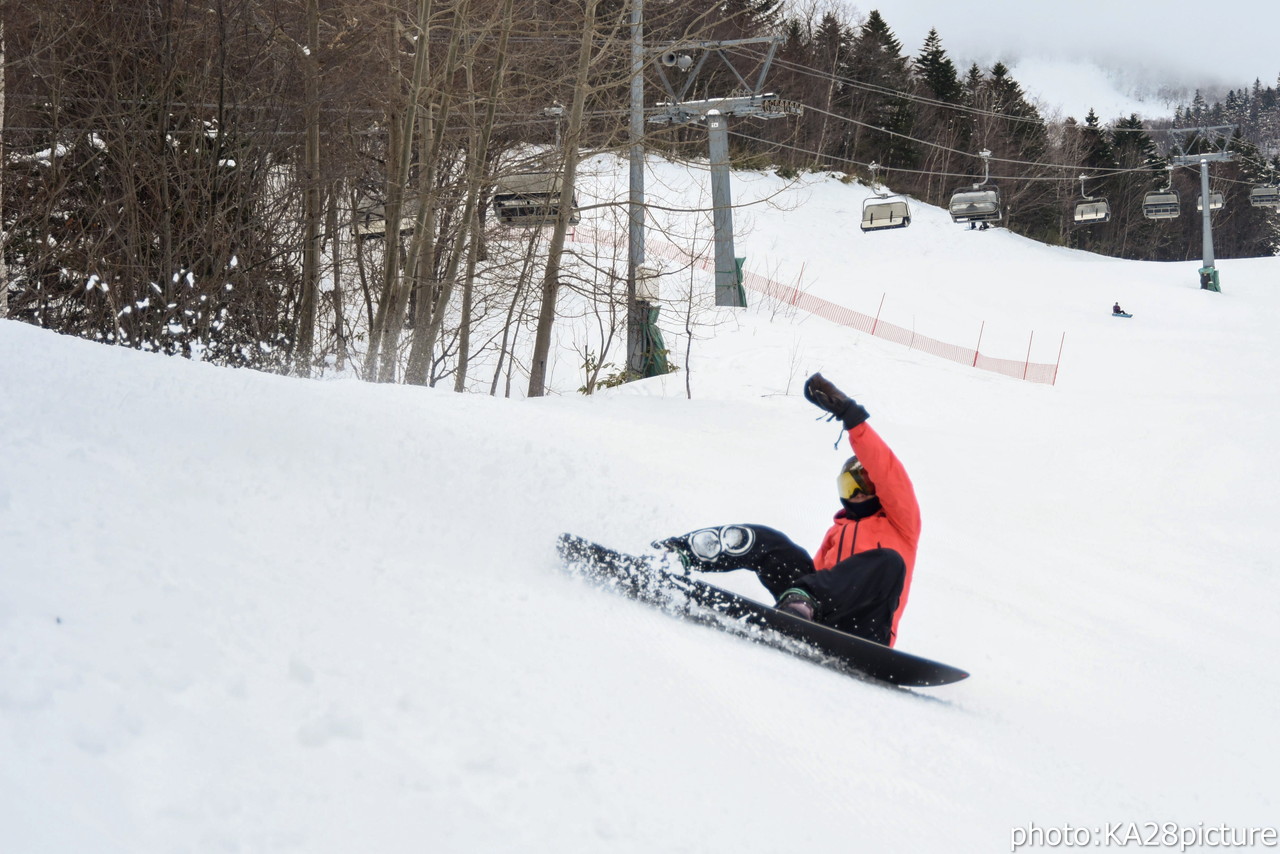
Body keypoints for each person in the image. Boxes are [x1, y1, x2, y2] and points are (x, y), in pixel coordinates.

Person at [654, 373, 921, 647]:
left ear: (880, 488)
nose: (857, 493)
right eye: (849, 486)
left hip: (866, 628)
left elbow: (889, 472)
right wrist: (802, 597)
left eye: (864, 484)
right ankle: (677, 554)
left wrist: (852, 417)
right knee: (772, 542)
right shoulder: (837, 532)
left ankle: (803, 602)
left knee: (888, 562)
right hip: (817, 616)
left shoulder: (902, 523)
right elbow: (819, 578)